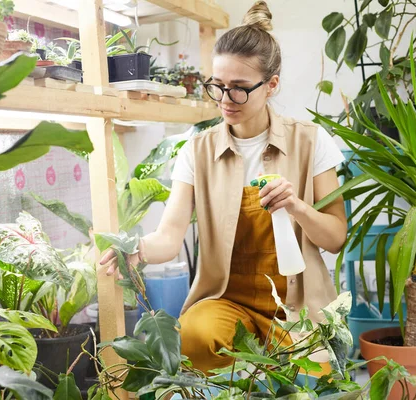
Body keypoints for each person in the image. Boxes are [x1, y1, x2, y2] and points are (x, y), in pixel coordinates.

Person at [100, 0, 347, 374]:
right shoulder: (197, 150)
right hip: (226, 301)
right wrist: (136, 252)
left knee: (314, 381)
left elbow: (335, 237)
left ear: (272, 85)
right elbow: (169, 236)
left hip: (296, 307)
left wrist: (296, 206)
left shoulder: (311, 141)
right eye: (217, 86)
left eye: (239, 88)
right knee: (195, 336)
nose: (226, 100)